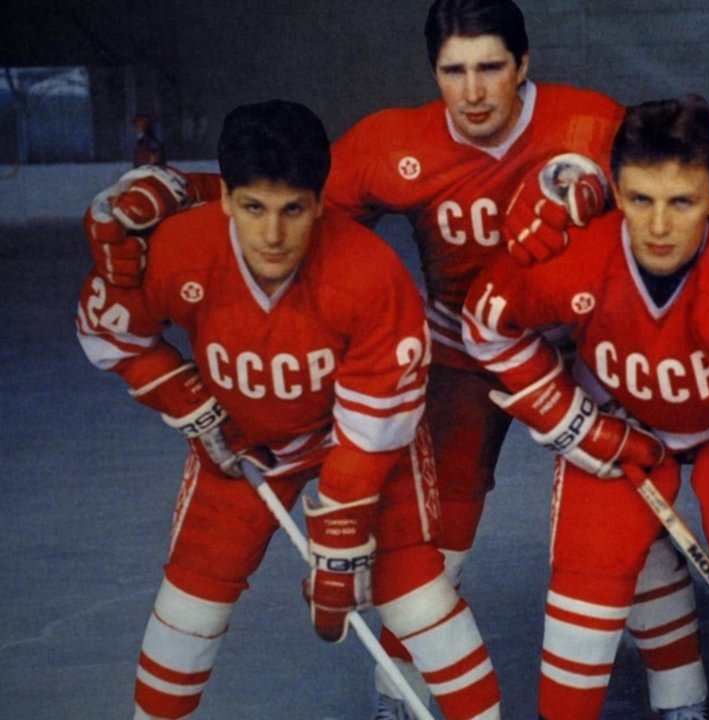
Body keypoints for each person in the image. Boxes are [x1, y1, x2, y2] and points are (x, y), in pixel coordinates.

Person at [79, 3, 709, 718]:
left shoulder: (589, 119)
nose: (473, 91)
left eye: (491, 68)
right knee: (439, 540)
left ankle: (679, 692)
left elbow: (676, 183)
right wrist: (171, 194)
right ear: (433, 72)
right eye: (454, 71)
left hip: (585, 350)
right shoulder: (394, 142)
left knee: (626, 519)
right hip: (462, 352)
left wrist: (584, 186)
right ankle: (397, 695)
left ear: (524, 66)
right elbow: (287, 192)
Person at [74, 99, 501, 719]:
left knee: (417, 599)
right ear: (225, 199)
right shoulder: (180, 250)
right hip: (242, 441)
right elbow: (109, 332)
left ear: (321, 201)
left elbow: (375, 428)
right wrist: (185, 398)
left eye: (292, 210)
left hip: (358, 445)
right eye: (254, 208)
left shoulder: (369, 274)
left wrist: (342, 536)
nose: (272, 235)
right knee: (189, 605)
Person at [463, 94, 709, 720]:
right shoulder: (577, 255)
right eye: (639, 200)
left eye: (681, 202)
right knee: (587, 585)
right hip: (620, 415)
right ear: (616, 191)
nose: (658, 226)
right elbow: (485, 322)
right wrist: (572, 421)